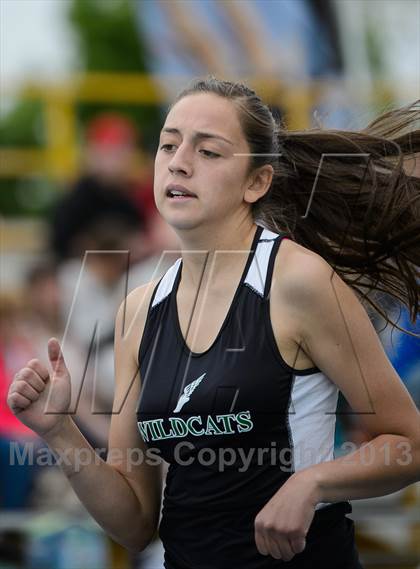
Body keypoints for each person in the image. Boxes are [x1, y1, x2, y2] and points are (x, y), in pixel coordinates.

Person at [6, 77, 420, 568]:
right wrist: (61, 433)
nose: (179, 161)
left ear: (256, 182)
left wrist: (313, 483)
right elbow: (135, 523)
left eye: (209, 152)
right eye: (168, 144)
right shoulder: (138, 311)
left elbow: (409, 443)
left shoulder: (298, 282)